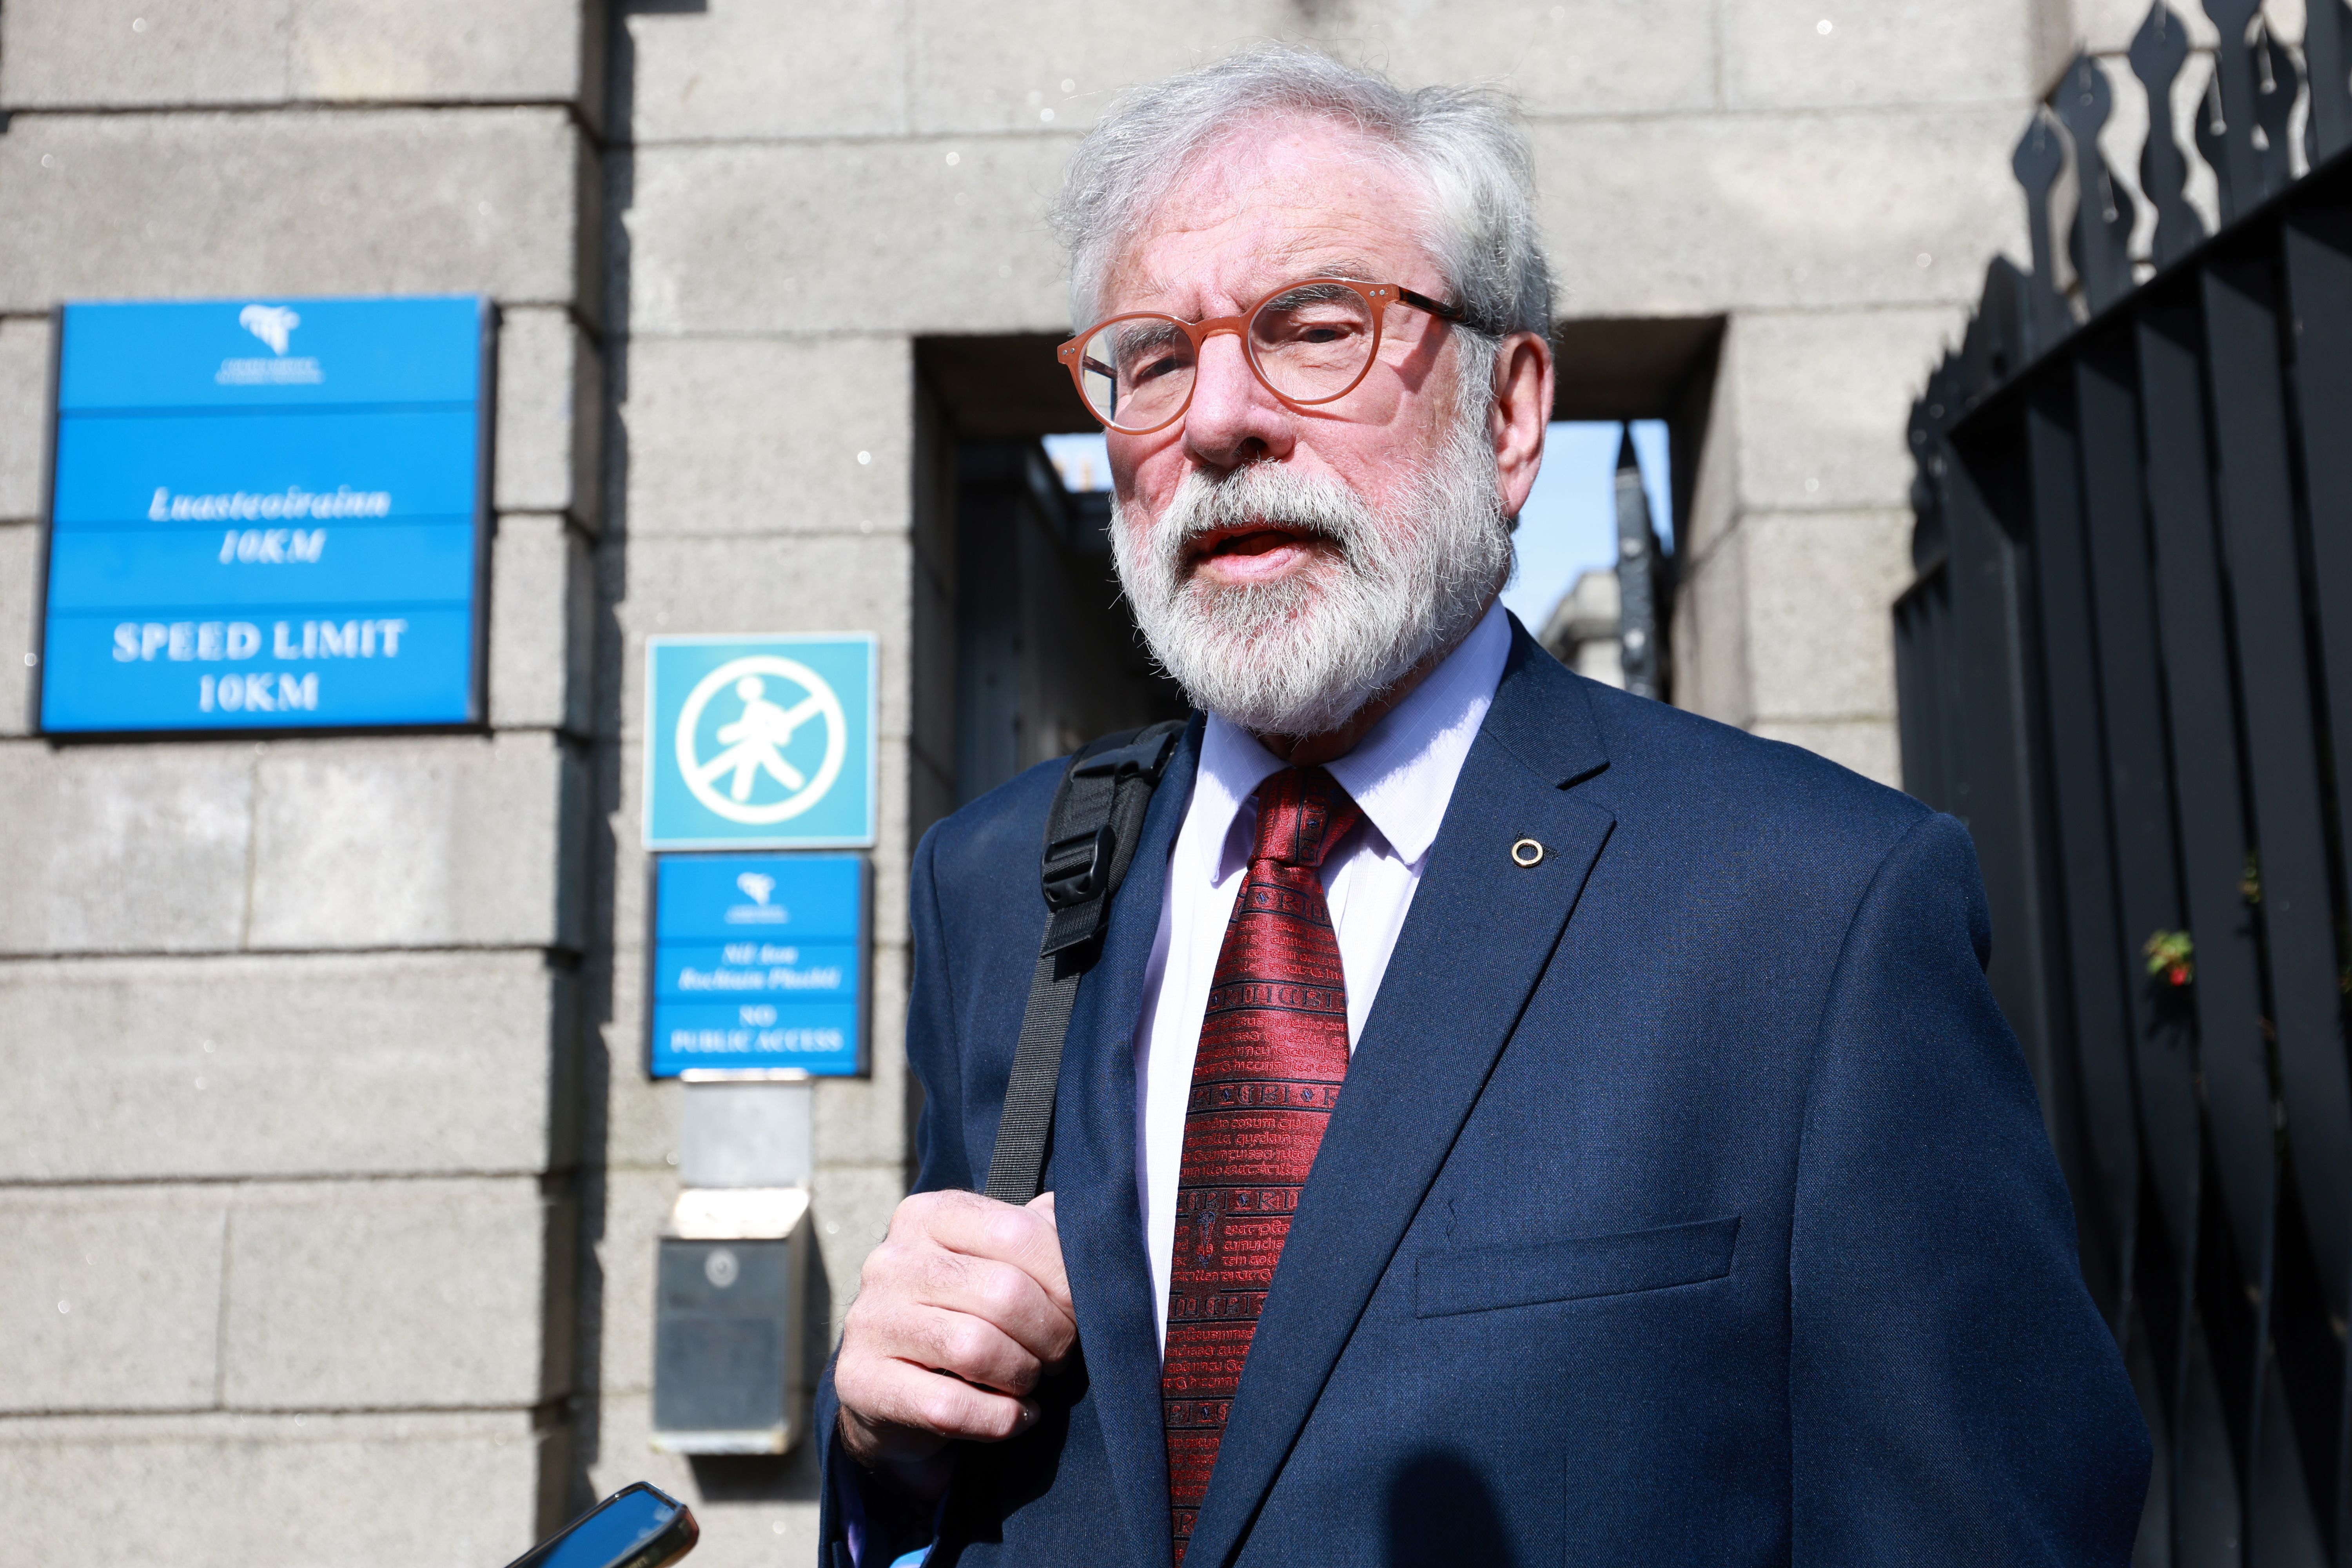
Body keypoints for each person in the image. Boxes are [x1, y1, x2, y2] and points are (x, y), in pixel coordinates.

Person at [818, 44, 2149, 1568]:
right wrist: (882, 1449)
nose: (1220, 421)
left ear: (1512, 414)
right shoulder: (999, 877)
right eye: (1154, 356)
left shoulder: (1811, 911)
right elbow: (948, 1477)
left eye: (1313, 328)